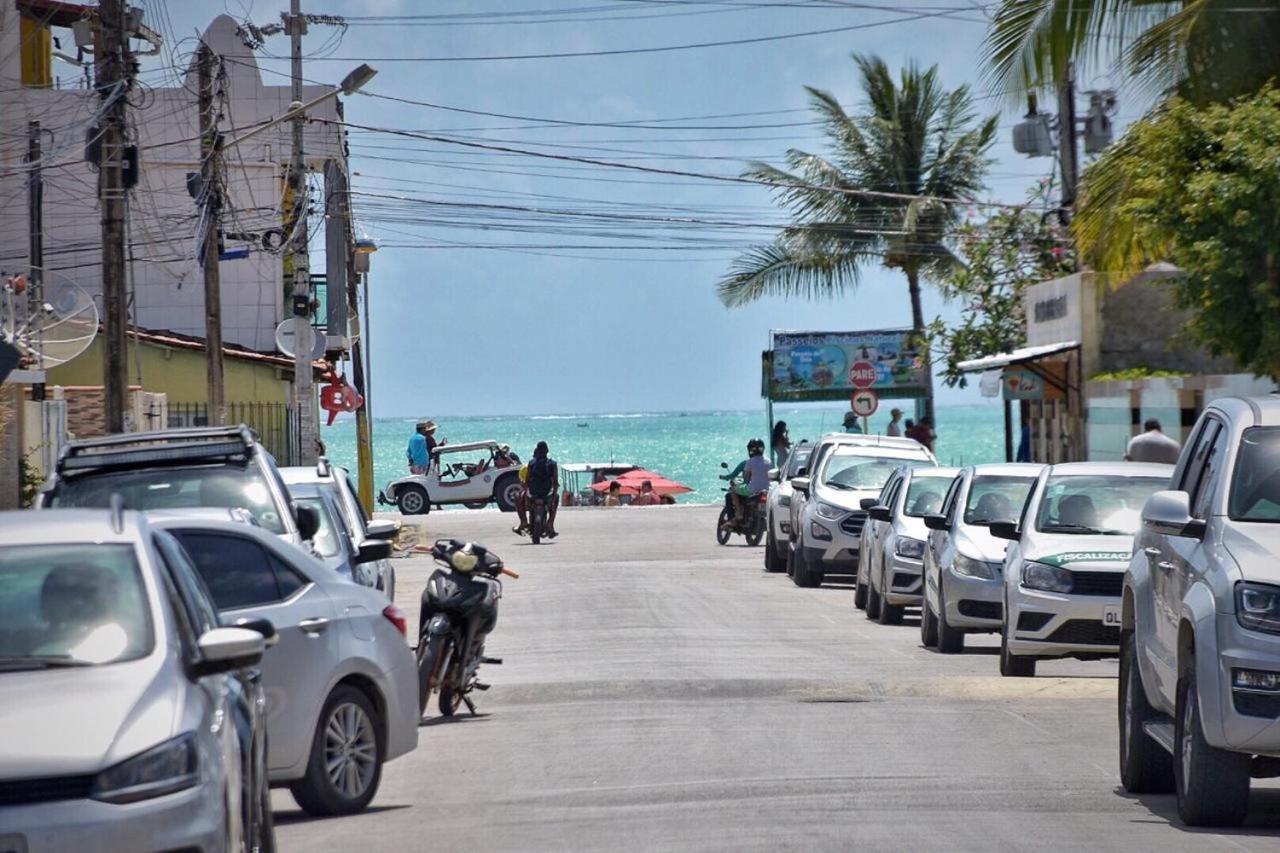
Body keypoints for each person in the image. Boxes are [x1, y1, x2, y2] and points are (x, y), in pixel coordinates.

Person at [721, 438, 771, 528]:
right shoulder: (769, 461)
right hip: (767, 491)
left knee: (733, 490)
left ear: (750, 450)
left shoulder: (750, 462)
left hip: (752, 490)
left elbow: (746, 479)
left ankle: (739, 513)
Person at [526, 441, 560, 537]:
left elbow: (527, 480)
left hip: (533, 493)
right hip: (546, 493)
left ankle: (525, 522)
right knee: (555, 500)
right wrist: (553, 497)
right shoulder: (552, 464)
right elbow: (555, 482)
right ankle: (550, 523)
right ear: (547, 451)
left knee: (526, 500)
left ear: (537, 451)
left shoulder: (531, 463)